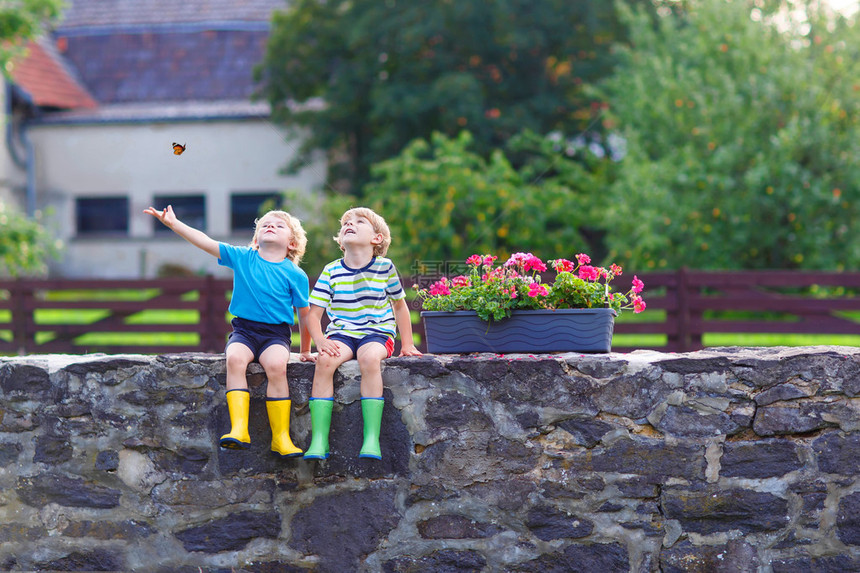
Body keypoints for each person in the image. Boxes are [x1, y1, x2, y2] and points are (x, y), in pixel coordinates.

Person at [144, 205, 311, 458]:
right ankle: (239, 429)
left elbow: (305, 315)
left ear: (292, 243)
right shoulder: (243, 257)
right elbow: (205, 242)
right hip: (244, 331)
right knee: (234, 359)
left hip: (276, 335)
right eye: (265, 224)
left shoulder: (296, 274)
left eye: (279, 225)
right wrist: (174, 224)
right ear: (256, 239)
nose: (270, 226)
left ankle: (281, 438)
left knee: (277, 366)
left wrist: (306, 350)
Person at [303, 207, 422, 460]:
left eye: (359, 222)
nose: (349, 224)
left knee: (369, 360)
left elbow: (400, 306)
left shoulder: (385, 267)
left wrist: (407, 344)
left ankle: (371, 439)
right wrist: (321, 341)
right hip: (342, 333)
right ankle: (319, 440)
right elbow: (312, 315)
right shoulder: (332, 270)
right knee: (324, 361)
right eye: (346, 222)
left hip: (377, 333)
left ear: (376, 239)